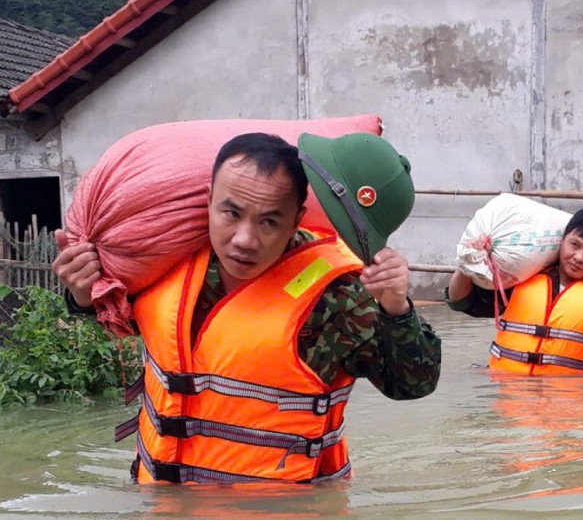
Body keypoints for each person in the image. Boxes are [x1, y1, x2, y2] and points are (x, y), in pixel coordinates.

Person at [52, 132, 441, 484]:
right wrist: (84, 295)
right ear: (208, 200)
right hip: (164, 519)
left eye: (269, 222)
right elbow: (124, 321)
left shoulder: (337, 296)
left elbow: (411, 385)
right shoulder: (166, 263)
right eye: (231, 213)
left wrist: (396, 307)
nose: (244, 240)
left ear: (296, 222)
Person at [446, 208, 583, 374]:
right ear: (562, 241)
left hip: (572, 404)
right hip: (508, 395)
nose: (579, 257)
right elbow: (459, 300)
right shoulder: (524, 274)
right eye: (574, 245)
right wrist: (469, 262)